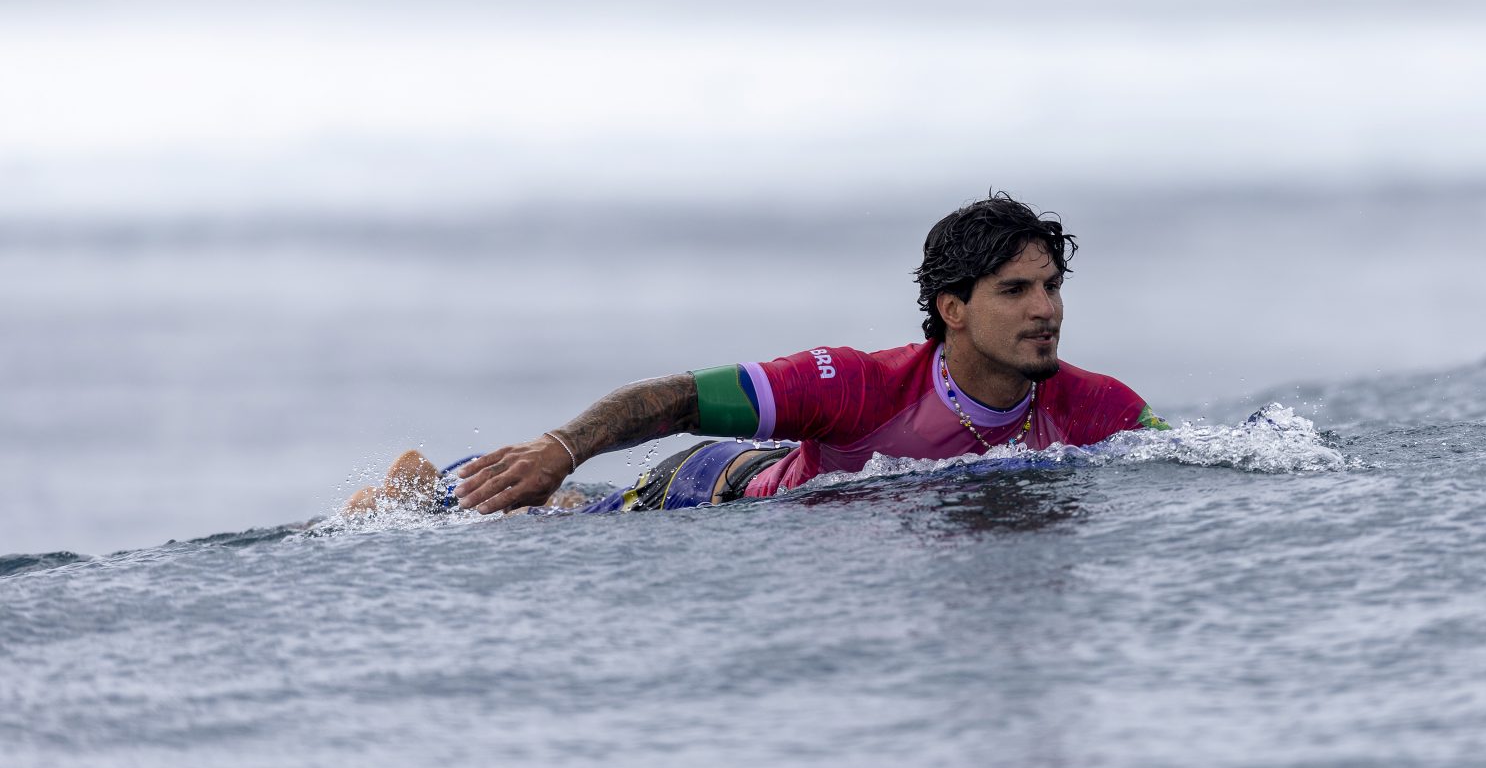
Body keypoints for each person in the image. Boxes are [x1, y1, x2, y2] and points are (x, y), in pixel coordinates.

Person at [342, 193, 1167, 517]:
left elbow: (1196, 464)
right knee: (543, 524)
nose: (1045, 310)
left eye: (1051, 287)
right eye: (1015, 291)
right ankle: (427, 488)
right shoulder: (858, 385)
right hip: (712, 489)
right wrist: (560, 448)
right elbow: (676, 397)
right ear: (953, 308)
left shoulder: (1100, 408)